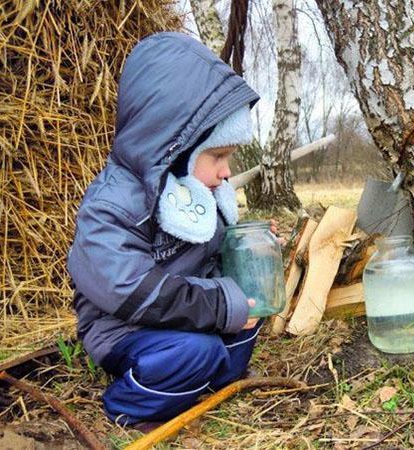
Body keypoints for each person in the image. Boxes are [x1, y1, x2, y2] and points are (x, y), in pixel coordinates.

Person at [67, 32, 266, 428]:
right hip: (124, 327)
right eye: (218, 156)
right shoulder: (113, 204)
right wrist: (220, 306)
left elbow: (213, 257)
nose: (226, 172)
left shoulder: (193, 193)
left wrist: (251, 246)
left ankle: (210, 385)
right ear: (173, 146)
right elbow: (132, 291)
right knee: (197, 351)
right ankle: (130, 405)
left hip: (183, 314)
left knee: (251, 313)